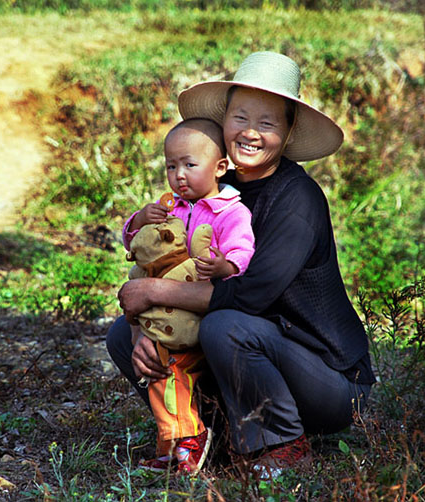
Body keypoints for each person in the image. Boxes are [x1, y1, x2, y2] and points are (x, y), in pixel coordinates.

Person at [107, 51, 375, 478]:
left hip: (326, 379)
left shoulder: (297, 200)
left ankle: (282, 445)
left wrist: (156, 293)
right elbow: (163, 256)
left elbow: (250, 297)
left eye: (267, 124)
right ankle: (197, 438)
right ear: (224, 122)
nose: (251, 133)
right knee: (123, 334)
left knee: (225, 323)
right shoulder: (214, 187)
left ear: (287, 134)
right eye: (240, 118)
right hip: (250, 350)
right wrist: (143, 323)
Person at [122, 118, 256, 475]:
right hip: (168, 311)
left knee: (171, 370)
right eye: (171, 166)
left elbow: (243, 250)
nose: (179, 175)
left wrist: (226, 266)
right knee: (159, 373)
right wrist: (138, 221)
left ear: (220, 168)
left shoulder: (231, 211)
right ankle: (172, 446)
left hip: (198, 315)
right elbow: (139, 247)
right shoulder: (172, 207)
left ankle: (189, 440)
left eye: (189, 165)